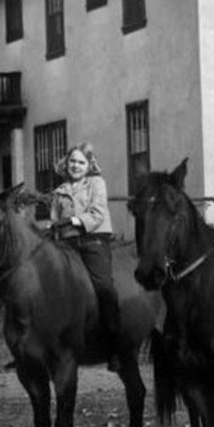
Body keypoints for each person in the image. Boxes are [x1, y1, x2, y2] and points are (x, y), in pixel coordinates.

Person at [51, 142, 128, 372]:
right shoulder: (59, 191)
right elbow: (55, 220)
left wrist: (75, 221)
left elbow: (96, 213)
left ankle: (114, 344)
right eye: (72, 161)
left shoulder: (96, 183)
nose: (75, 166)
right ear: (66, 163)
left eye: (81, 162)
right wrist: (53, 229)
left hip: (93, 239)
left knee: (103, 286)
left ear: (89, 165)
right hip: (66, 243)